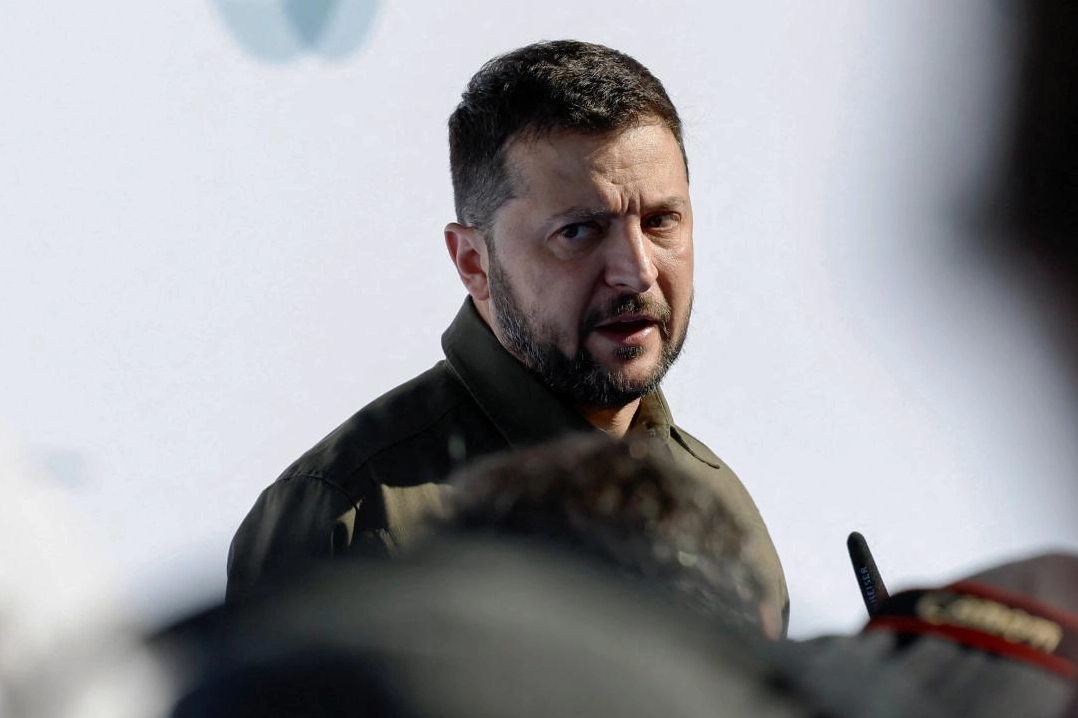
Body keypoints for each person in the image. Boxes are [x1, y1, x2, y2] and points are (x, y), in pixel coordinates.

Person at [225, 39, 788, 630]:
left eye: (660, 222)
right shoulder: (347, 515)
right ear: (474, 262)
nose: (637, 270)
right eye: (579, 231)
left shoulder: (723, 509)